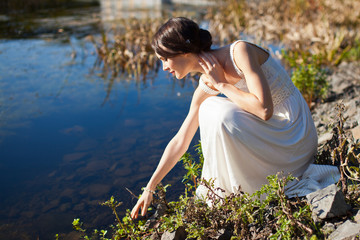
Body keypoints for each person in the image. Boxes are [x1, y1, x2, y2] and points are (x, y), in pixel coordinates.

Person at [130, 17, 339, 219]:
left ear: (183, 51)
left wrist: (222, 85)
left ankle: (247, 188)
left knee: (215, 109)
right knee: (208, 109)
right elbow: (181, 139)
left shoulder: (240, 51)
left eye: (165, 59)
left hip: (294, 134)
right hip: (274, 141)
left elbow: (264, 110)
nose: (164, 67)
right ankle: (240, 188)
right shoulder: (206, 84)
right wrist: (150, 187)